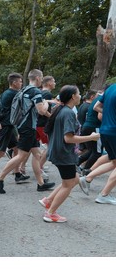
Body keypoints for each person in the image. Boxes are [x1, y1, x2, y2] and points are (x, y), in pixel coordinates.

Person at [38, 85, 100, 222]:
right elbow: (69, 138)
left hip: (61, 152)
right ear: (73, 96)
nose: (80, 96)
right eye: (78, 94)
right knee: (68, 184)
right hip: (64, 153)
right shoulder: (68, 113)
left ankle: (48, 201)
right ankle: (50, 213)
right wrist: (92, 137)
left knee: (74, 179)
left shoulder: (61, 110)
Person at [0, 69, 55, 193]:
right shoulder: (35, 91)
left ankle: (41, 183)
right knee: (21, 155)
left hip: (23, 125)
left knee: (37, 155)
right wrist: (47, 105)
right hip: (28, 127)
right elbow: (41, 110)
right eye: (41, 78)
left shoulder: (24, 89)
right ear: (37, 78)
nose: (42, 81)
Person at [0, 73, 27, 185]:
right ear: (14, 83)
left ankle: (17, 174)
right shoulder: (15, 93)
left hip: (7, 125)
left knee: (16, 148)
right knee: (0, 152)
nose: (21, 83)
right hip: (7, 126)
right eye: (20, 81)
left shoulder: (5, 93)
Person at [89, 83, 116, 204]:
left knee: (113, 161)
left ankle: (87, 177)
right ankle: (104, 194)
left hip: (105, 130)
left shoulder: (111, 88)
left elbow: (96, 107)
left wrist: (110, 116)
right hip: (114, 131)